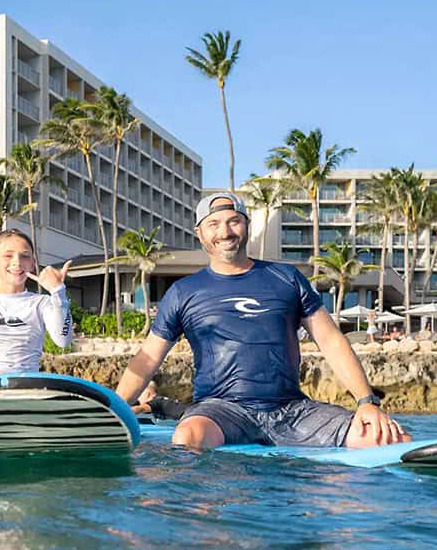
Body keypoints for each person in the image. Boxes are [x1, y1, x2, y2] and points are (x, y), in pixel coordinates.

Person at [114, 193, 410, 450]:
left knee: (389, 438)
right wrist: (115, 406)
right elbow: (149, 356)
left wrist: (366, 402)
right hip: (221, 412)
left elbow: (331, 340)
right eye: (214, 224)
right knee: (187, 435)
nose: (225, 231)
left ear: (246, 225)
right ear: (200, 233)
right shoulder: (183, 292)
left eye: (233, 221)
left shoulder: (286, 278)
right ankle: (202, 513)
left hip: (292, 410)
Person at [0, 229, 72, 375]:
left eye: (25, 256)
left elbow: (63, 340)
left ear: (32, 264)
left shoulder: (43, 303)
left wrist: (58, 292)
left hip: (28, 388)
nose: (17, 262)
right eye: (8, 255)